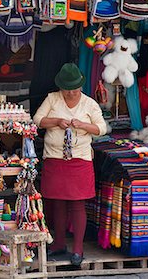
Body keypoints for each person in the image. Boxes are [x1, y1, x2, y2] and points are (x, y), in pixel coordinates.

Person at [33, 63, 107, 266]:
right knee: (57, 202)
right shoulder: (52, 98)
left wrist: (83, 125)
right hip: (55, 158)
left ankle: (78, 249)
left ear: (80, 87)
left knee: (77, 203)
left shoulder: (89, 104)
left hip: (79, 159)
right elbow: (37, 119)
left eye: (74, 89)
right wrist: (56, 121)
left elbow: (101, 128)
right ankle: (58, 244)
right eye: (67, 89)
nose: (71, 93)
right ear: (61, 87)